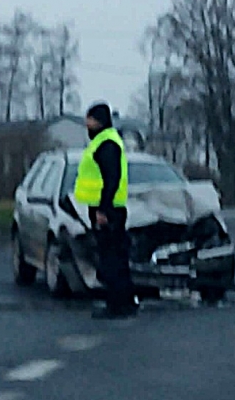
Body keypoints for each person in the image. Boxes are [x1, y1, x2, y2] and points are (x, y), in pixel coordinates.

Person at [74, 102, 138, 319]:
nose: (86, 124)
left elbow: (111, 178)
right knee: (115, 257)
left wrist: (103, 209)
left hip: (109, 210)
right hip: (109, 208)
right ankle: (124, 302)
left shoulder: (107, 143)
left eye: (89, 119)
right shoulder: (103, 141)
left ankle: (117, 305)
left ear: (98, 121)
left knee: (111, 259)